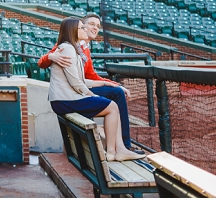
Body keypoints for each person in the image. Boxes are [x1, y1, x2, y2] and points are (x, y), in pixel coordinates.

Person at [47, 17, 144, 162]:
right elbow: (75, 82)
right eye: (82, 28)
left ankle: (119, 150)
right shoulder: (67, 48)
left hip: (67, 98)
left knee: (113, 106)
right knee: (111, 107)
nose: (85, 30)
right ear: (72, 30)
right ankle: (113, 152)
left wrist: (105, 84)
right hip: (65, 99)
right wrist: (92, 95)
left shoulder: (73, 48)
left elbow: (82, 79)